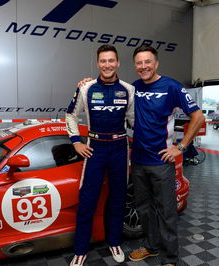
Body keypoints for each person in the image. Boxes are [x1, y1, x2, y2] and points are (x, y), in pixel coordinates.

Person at [128, 46, 205, 266]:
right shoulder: (134, 88)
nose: (144, 66)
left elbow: (197, 117)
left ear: (156, 63)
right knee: (144, 210)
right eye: (139, 63)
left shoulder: (171, 86)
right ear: (135, 66)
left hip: (161, 161)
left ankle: (170, 257)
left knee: (166, 211)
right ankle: (151, 247)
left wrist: (180, 147)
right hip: (139, 160)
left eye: (148, 62)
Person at [65, 44, 135, 266]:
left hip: (119, 148)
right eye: (103, 61)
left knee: (118, 199)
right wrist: (76, 142)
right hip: (94, 148)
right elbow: (70, 115)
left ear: (118, 63)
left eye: (111, 60)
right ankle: (80, 249)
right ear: (98, 64)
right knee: (87, 200)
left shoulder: (128, 89)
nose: (107, 65)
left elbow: (134, 121)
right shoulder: (86, 88)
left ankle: (114, 242)